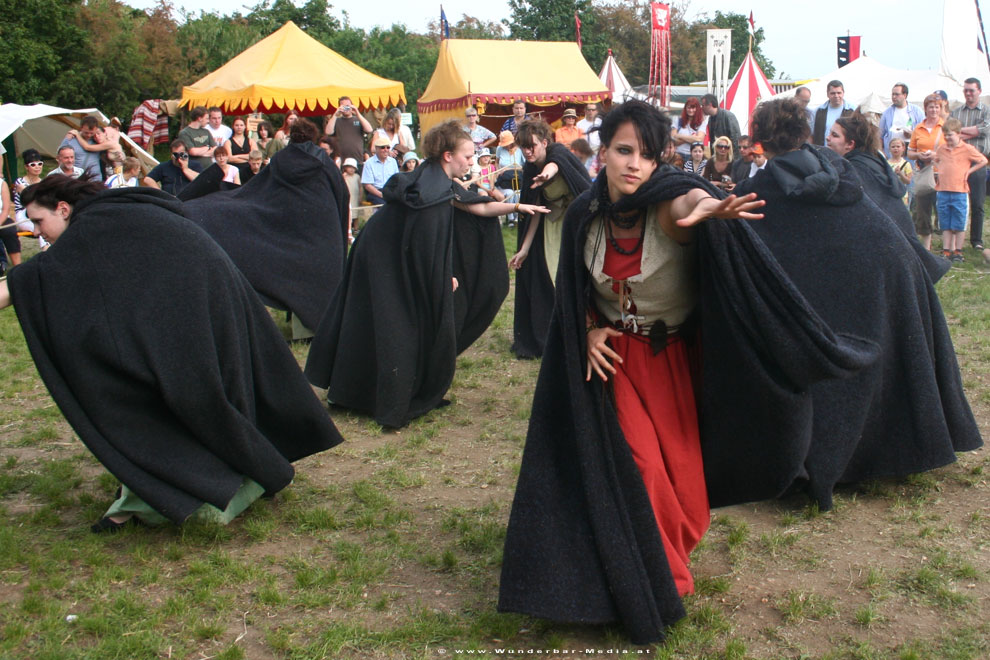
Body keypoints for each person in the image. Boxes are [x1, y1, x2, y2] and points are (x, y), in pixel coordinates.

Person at [499, 100, 765, 644]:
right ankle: (652, 580)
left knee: (686, 490)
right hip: (616, 364)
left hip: (673, 364)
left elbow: (687, 203)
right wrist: (590, 329)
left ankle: (658, 552)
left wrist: (707, 203)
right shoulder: (584, 217)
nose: (634, 165)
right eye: (623, 150)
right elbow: (577, 297)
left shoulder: (671, 207)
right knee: (640, 469)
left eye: (646, 154)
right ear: (602, 153)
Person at [1, 176, 344, 531]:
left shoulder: (95, 226)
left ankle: (203, 492)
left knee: (171, 407)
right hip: (207, 310)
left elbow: (38, 277)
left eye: (40, 221)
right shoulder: (114, 212)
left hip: (196, 318)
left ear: (63, 208)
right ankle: (156, 495)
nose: (40, 233)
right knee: (185, 402)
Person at [304, 120, 549, 428]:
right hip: (383, 257)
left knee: (404, 321)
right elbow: (425, 240)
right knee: (394, 324)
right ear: (447, 156)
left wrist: (518, 207)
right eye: (468, 156)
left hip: (389, 253)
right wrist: (443, 275)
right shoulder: (432, 190)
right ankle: (382, 397)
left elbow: (478, 208)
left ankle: (389, 389)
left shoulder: (438, 181)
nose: (472, 162)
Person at [828, 113, 948, 282]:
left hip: (889, 250)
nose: (827, 139)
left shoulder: (858, 170)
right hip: (891, 248)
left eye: (834, 135)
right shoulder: (869, 162)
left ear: (850, 144)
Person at [509, 119, 592, 358]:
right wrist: (525, 248)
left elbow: (556, 166)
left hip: (575, 225)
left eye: (532, 146)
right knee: (552, 279)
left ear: (544, 142)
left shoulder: (558, 156)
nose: (527, 151)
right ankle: (554, 336)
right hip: (552, 227)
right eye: (523, 147)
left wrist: (547, 174)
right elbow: (535, 210)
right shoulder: (529, 169)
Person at [934, 117, 988, 262]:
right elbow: (936, 159)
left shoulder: (967, 149)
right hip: (943, 190)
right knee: (945, 223)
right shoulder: (942, 148)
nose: (947, 138)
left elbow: (983, 160)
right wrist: (940, 170)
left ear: (958, 134)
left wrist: (968, 172)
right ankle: (946, 251)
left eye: (950, 135)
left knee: (959, 223)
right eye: (945, 135)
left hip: (960, 191)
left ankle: (958, 251)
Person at [949, 77, 990, 250]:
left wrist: (960, 132)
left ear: (979, 91)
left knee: (978, 203)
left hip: (978, 162)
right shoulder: (956, 112)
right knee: (956, 202)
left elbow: (984, 130)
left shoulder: (987, 111)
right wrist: (971, 131)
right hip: (958, 163)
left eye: (971, 90)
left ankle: (976, 240)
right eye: (966, 90)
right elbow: (950, 131)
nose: (968, 93)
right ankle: (952, 240)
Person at [908, 93, 945, 250]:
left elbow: (954, 149)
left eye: (937, 106)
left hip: (942, 173)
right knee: (923, 209)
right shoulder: (919, 128)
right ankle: (926, 246)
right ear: (925, 109)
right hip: (923, 172)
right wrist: (919, 155)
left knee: (942, 209)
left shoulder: (945, 127)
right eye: (931, 106)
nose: (934, 110)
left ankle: (947, 246)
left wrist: (936, 155)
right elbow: (910, 152)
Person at [12, 149, 46, 252]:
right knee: (43, 228)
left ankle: (47, 251)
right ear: (26, 167)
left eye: (40, 164)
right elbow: (29, 201)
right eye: (33, 164)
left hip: (40, 216)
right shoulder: (20, 182)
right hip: (24, 216)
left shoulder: (44, 183)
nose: (37, 167)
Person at [879, 83, 924, 157]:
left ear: (905, 95)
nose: (894, 97)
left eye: (897, 94)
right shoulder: (886, 113)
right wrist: (883, 154)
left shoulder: (917, 111)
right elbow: (880, 136)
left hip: (910, 155)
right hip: (891, 157)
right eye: (892, 94)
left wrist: (912, 135)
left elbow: (924, 134)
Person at [326, 97, 373, 165]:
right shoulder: (336, 120)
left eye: (348, 106)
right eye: (343, 106)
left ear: (352, 106)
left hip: (357, 160)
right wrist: (335, 114)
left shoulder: (358, 119)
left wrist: (357, 113)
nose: (346, 108)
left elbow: (369, 130)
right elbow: (328, 132)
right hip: (341, 161)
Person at [811, 80, 855, 146]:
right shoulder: (818, 111)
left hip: (845, 153)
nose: (836, 96)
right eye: (833, 93)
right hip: (822, 152)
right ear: (827, 94)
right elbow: (811, 134)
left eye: (839, 93)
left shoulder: (853, 110)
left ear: (843, 93)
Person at [59, 116, 102, 180]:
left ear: (96, 129)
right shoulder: (70, 139)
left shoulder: (99, 140)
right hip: (75, 177)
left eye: (92, 133)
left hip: (94, 178)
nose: (89, 135)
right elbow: (59, 156)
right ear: (81, 128)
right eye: (86, 132)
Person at [361, 135, 399, 205]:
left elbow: (397, 180)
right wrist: (381, 195)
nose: (386, 150)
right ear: (376, 149)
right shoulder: (369, 163)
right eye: (382, 147)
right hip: (375, 192)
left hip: (390, 191)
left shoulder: (393, 161)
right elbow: (367, 185)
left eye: (388, 147)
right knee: (386, 206)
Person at [671, 97, 708, 161]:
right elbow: (673, 140)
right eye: (689, 108)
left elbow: (699, 139)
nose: (691, 110)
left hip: (693, 156)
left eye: (693, 108)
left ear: (697, 109)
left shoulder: (701, 122)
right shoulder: (678, 120)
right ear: (685, 108)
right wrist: (692, 138)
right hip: (677, 156)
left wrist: (679, 136)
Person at [227, 117, 256, 181]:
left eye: (241, 125)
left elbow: (254, 156)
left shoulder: (251, 141)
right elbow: (229, 158)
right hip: (234, 171)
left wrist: (237, 156)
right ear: (233, 126)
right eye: (237, 125)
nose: (239, 127)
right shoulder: (228, 142)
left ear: (245, 126)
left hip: (249, 171)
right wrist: (247, 158)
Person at [887, 137, 913, 205]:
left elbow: (908, 181)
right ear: (889, 149)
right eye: (893, 147)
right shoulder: (886, 163)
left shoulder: (906, 164)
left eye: (898, 146)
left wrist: (901, 174)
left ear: (903, 148)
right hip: (890, 194)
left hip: (903, 195)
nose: (896, 148)